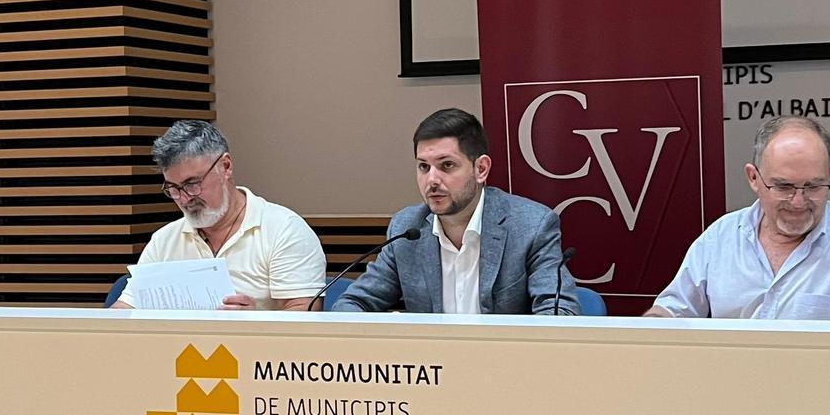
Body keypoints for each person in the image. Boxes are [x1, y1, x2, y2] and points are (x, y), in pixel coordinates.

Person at [645, 116, 830, 320]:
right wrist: (646, 327)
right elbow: (672, 310)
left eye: (813, 186)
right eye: (783, 186)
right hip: (733, 391)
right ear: (753, 178)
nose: (798, 202)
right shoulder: (720, 237)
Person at [332, 108, 578, 315]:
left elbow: (559, 316)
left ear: (480, 169)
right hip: (432, 368)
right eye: (423, 167)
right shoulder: (407, 229)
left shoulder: (530, 226)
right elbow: (352, 304)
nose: (432, 180)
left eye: (446, 165)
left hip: (505, 366)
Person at [112, 120, 326, 311]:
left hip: (255, 353)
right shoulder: (164, 240)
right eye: (173, 188)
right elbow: (125, 309)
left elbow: (305, 318)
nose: (185, 199)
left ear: (225, 166)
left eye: (192, 184)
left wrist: (258, 321)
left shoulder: (284, 230)